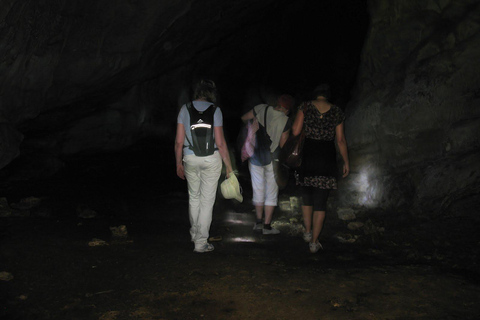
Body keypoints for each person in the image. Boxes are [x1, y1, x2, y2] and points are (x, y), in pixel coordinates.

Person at [174, 79, 233, 253]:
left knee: (194, 197)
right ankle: (201, 242)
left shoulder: (185, 109)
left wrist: (178, 163)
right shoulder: (216, 111)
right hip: (211, 158)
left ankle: (194, 233)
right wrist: (228, 166)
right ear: (212, 94)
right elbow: (221, 143)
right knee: (207, 201)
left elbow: (178, 141)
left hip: (190, 157)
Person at [291, 84, 349, 253]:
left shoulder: (305, 106)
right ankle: (314, 243)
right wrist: (346, 161)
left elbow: (295, 130)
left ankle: (308, 232)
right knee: (321, 202)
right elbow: (340, 140)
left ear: (315, 95)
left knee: (307, 196)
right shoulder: (337, 111)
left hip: (308, 156)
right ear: (328, 96)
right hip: (326, 158)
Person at [241, 94, 295, 235]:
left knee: (258, 190)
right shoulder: (286, 121)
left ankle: (258, 223)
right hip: (273, 159)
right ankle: (267, 227)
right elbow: (283, 145)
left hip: (255, 157)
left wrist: (252, 126)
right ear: (287, 110)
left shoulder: (261, 108)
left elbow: (243, 118)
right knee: (271, 193)